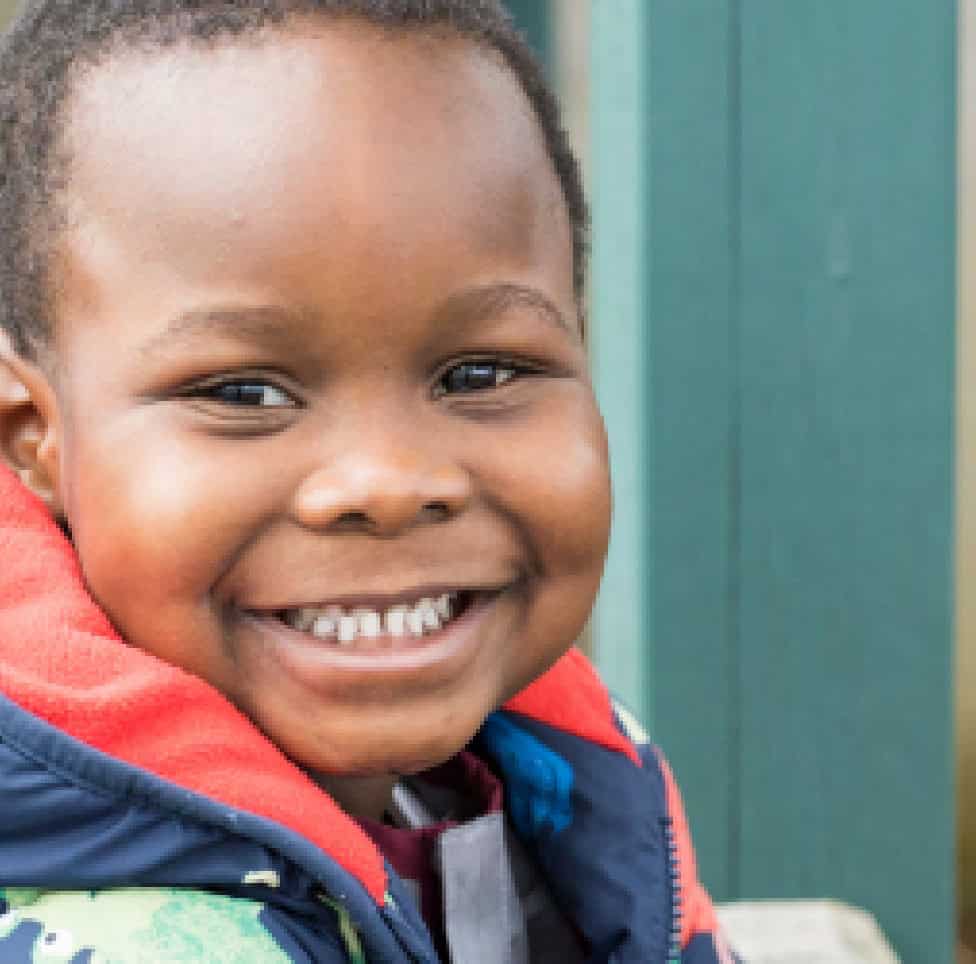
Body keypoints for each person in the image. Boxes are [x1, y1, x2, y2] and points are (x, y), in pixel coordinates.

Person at [0, 1, 735, 960]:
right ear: (33, 441)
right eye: (246, 391)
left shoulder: (557, 764)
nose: (387, 483)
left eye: (480, 373)